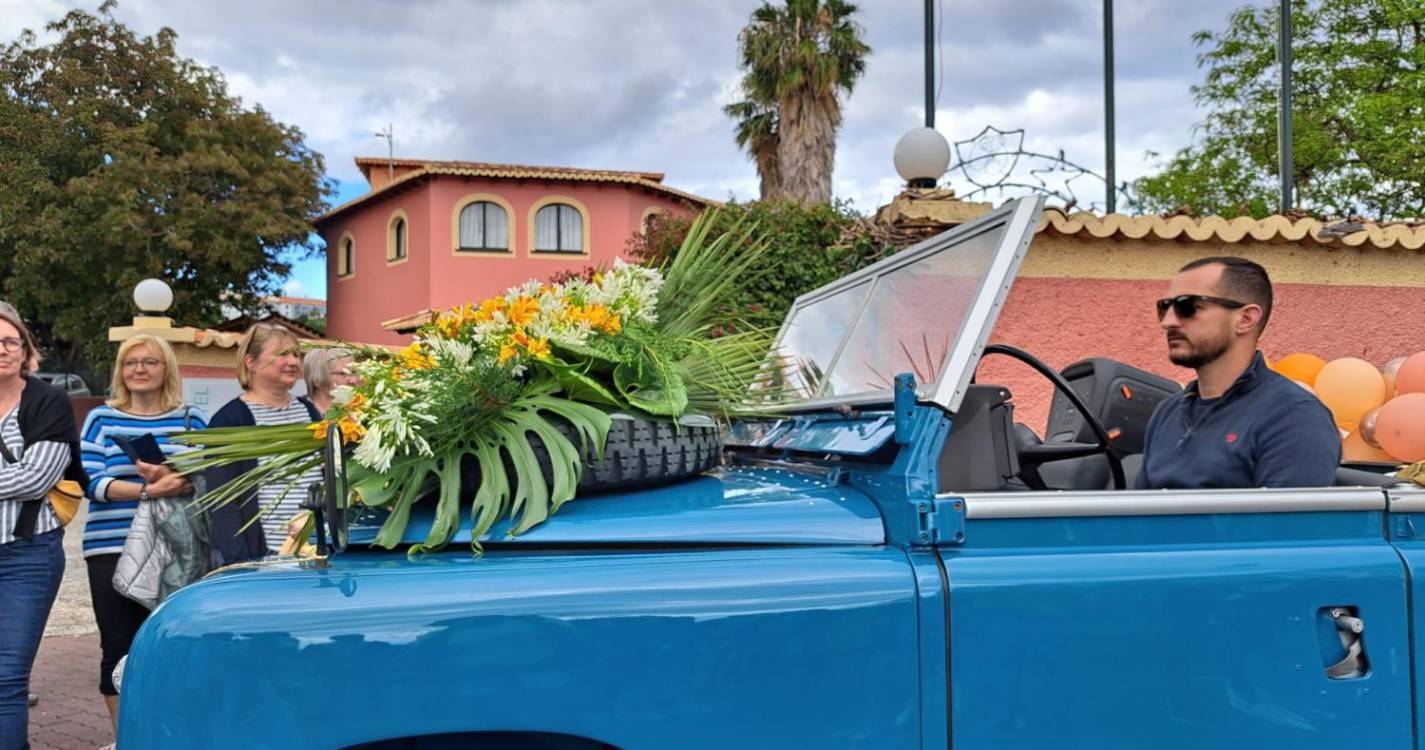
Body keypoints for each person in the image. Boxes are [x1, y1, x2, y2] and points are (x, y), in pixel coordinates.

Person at [79, 334, 207, 734]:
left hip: (179, 550)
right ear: (120, 370)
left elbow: (213, 478)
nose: (139, 369)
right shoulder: (101, 419)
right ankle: (127, 738)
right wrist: (150, 490)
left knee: (178, 647)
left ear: (167, 368)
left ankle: (173, 735)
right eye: (130, 362)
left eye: (150, 361)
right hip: (111, 547)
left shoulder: (192, 419)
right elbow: (90, 482)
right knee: (118, 648)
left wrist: (177, 479)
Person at [1136, 256, 1340, 490]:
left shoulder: (1294, 416)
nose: (1168, 321)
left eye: (1187, 306)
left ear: (1245, 319)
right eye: (1164, 307)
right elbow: (1139, 510)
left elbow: (1292, 515)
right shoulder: (1167, 412)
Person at [0, 306, 85, 749]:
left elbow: (35, 478)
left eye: (9, 341)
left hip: (26, 555)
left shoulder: (47, 401)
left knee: (6, 679)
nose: (1, 350)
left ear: (25, 350)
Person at [206, 324, 321, 559]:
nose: (293, 362)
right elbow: (223, 502)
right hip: (265, 557)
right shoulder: (231, 420)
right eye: (282, 354)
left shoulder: (309, 411)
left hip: (317, 549)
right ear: (251, 362)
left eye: (296, 354)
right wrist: (240, 561)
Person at [302, 347, 359, 417]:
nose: (353, 380)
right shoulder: (299, 413)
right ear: (317, 380)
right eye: (343, 374)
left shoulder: (362, 409)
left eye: (354, 373)